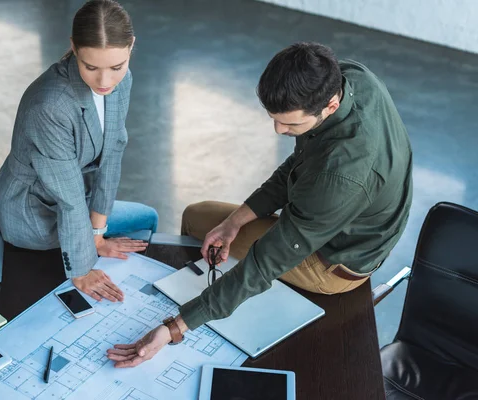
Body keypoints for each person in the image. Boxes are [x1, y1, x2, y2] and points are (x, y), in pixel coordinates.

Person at [107, 42, 413, 367]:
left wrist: (174, 327)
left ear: (331, 105)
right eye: (274, 119)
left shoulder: (341, 175)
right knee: (209, 218)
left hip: (334, 262)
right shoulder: (349, 77)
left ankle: (200, 308)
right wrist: (234, 222)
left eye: (291, 125)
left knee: (202, 223)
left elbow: (265, 263)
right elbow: (300, 166)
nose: (279, 130)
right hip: (350, 219)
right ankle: (206, 288)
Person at [0, 0, 158, 303]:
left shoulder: (122, 82)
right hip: (35, 214)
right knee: (146, 218)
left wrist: (98, 232)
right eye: (90, 67)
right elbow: (68, 199)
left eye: (116, 67)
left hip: (74, 197)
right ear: (74, 47)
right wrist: (82, 268)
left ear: (131, 46)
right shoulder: (50, 105)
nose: (105, 81)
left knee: (146, 219)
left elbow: (112, 152)